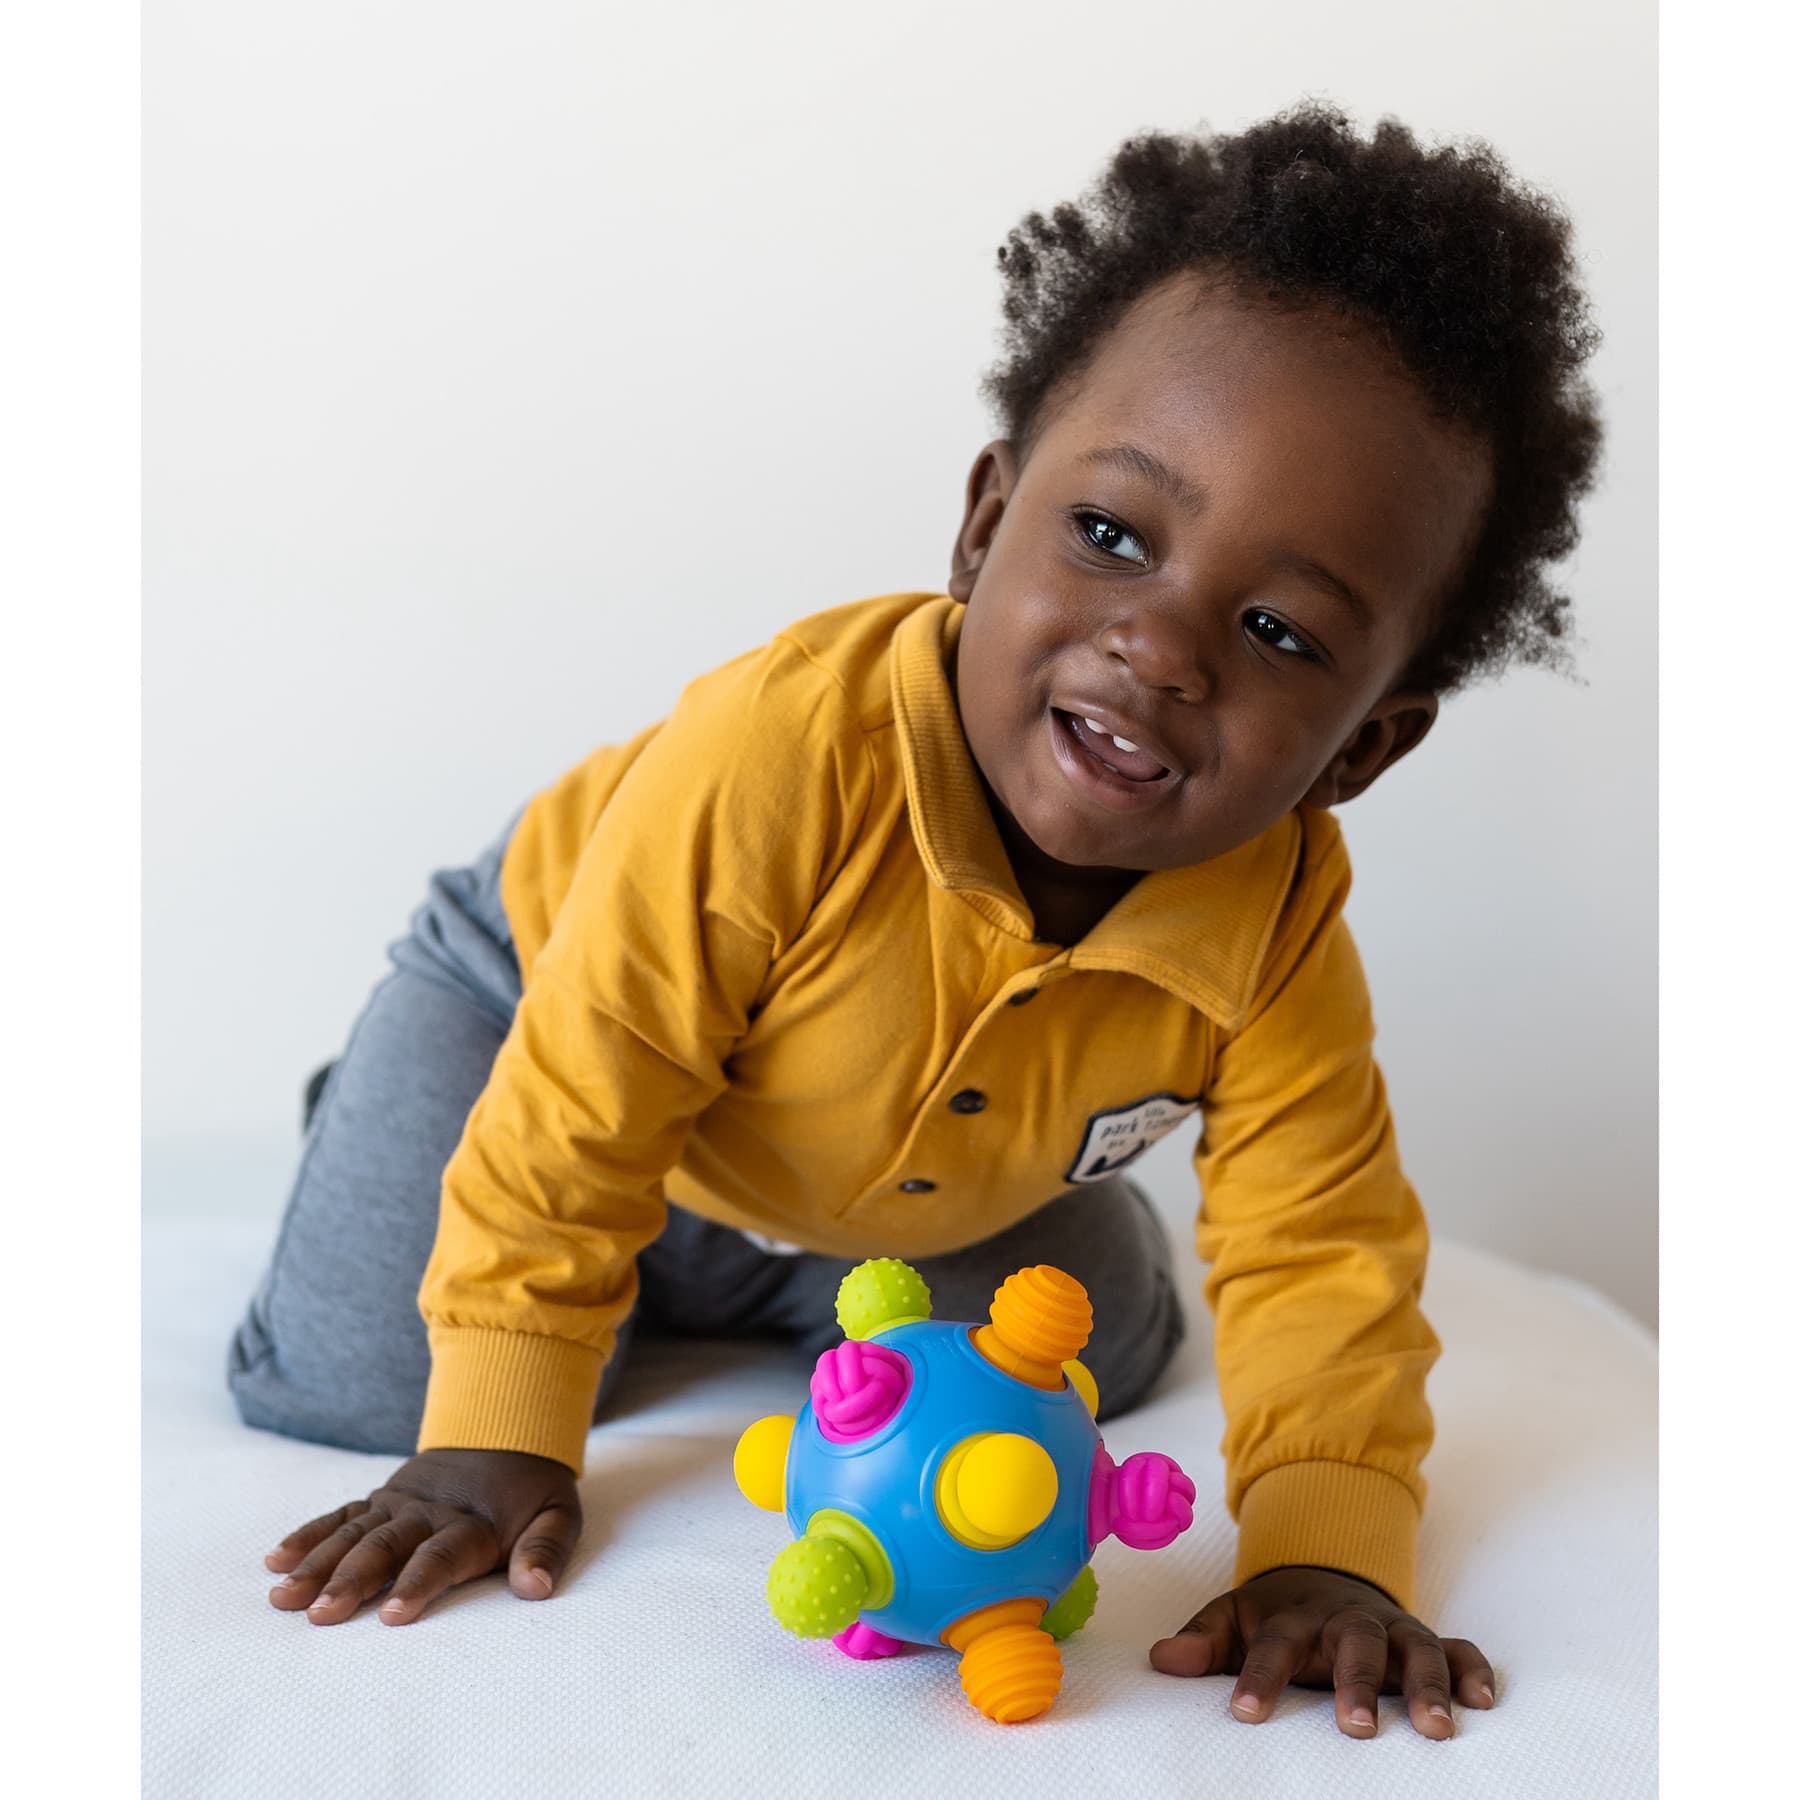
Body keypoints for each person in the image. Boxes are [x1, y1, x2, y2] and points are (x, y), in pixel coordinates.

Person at [229, 99, 1602, 1742]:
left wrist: (1326, 1553)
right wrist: (504, 1425)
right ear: (982, 524)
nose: (1161, 649)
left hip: (904, 1157)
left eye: (1278, 633)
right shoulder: (784, 749)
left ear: (1366, 746)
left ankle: (719, 1259)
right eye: (1110, 536)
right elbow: (593, 1076)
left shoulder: (1279, 924)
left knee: (1112, 1351)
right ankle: (433, 1140)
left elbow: (1319, 1251)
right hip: (538, 1013)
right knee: (367, 1380)